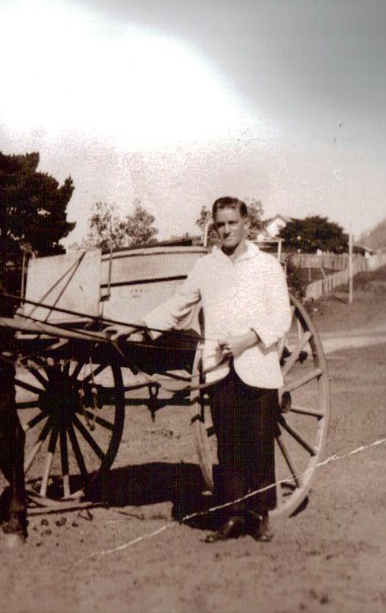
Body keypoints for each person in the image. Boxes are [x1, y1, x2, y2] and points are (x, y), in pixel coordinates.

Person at [114, 197, 292, 542]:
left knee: (258, 442)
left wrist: (248, 339)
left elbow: (281, 316)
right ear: (214, 226)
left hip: (257, 364)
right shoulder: (206, 267)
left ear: (246, 224)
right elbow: (179, 305)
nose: (226, 230)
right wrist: (138, 327)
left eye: (232, 223)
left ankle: (260, 516)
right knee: (228, 445)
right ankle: (231, 517)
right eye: (220, 224)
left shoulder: (267, 266)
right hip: (219, 368)